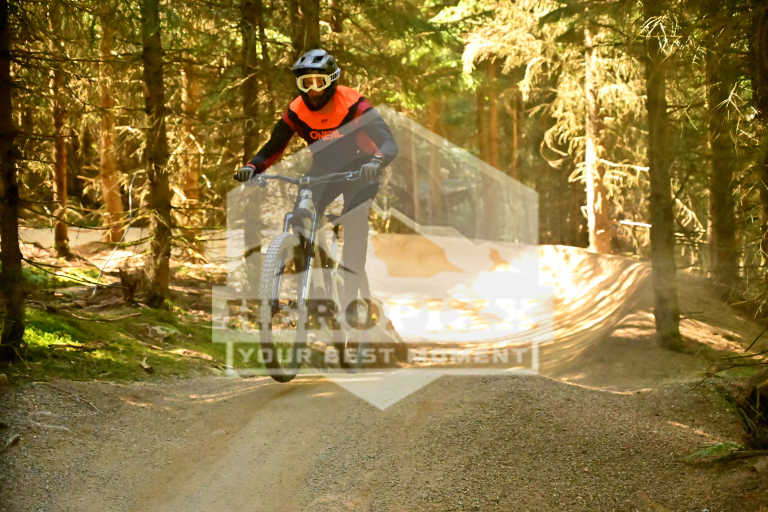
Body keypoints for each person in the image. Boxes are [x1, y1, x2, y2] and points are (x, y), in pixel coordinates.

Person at [234, 48, 398, 310]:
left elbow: (388, 142)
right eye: (305, 83)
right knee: (302, 215)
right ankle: (304, 288)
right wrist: (253, 166)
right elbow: (274, 146)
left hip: (361, 168)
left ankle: (350, 298)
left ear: (331, 81)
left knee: (354, 224)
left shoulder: (353, 104)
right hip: (324, 168)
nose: (312, 90)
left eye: (319, 82)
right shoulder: (297, 110)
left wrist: (377, 161)